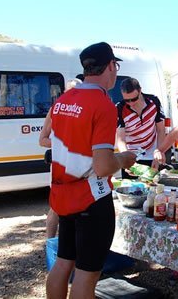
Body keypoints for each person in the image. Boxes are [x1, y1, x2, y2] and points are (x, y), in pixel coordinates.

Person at [45, 42, 136, 299]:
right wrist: (124, 159)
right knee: (87, 275)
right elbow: (103, 165)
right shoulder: (103, 103)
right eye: (115, 66)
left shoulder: (62, 101)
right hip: (91, 199)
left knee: (63, 263)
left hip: (64, 196)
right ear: (110, 66)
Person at [39, 78, 82, 239]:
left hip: (80, 166)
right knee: (57, 207)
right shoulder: (55, 110)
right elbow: (42, 140)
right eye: (69, 92)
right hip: (60, 166)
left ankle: (73, 245)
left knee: (79, 206)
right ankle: (50, 243)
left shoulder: (85, 111)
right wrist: (60, 144)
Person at [116, 77, 165, 178]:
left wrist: (159, 151)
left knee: (153, 189)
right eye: (127, 100)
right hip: (131, 154)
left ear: (140, 90)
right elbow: (121, 139)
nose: (131, 103)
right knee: (131, 190)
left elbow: (160, 130)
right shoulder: (119, 108)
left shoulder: (154, 101)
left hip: (151, 153)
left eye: (134, 99)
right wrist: (126, 159)